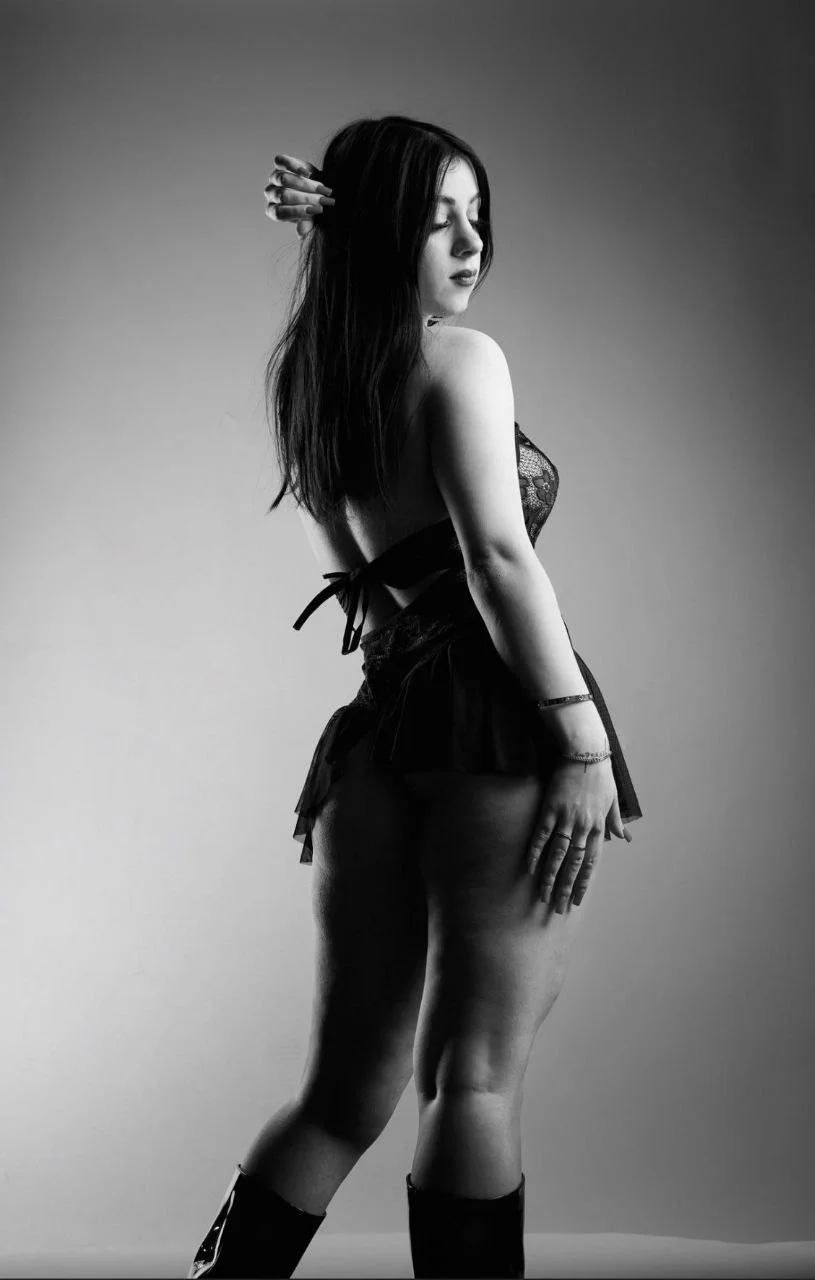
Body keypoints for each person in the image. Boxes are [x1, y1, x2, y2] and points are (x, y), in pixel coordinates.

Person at [187, 114, 642, 1280]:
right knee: (471, 1077)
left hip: (376, 735)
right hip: (498, 722)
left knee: (340, 1093)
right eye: (439, 219)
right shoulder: (462, 359)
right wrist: (581, 743)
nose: (472, 242)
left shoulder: (312, 378)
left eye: (477, 216)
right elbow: (496, 557)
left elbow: (360, 588)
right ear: (380, 231)